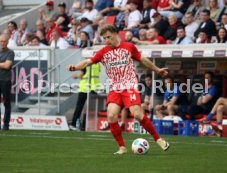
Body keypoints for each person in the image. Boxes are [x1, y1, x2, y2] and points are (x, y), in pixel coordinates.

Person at [67, 24, 169, 154]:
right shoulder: (103, 52)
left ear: (115, 34)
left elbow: (142, 59)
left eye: (109, 37)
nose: (107, 40)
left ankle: (158, 139)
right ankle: (122, 147)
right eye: (105, 38)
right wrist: (74, 67)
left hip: (129, 85)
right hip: (115, 88)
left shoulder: (128, 47)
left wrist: (158, 70)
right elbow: (87, 62)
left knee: (137, 113)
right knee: (111, 115)